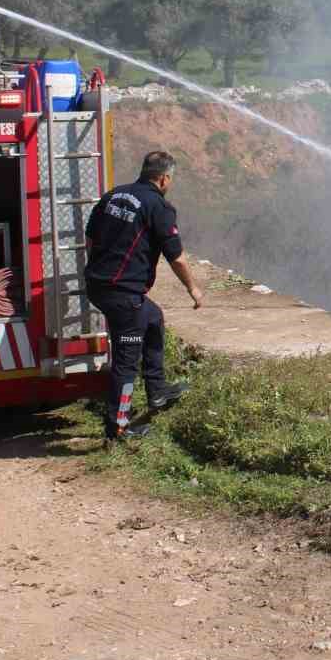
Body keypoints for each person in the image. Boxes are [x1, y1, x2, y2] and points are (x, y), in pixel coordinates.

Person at [84, 150, 205, 442]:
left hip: (99, 286)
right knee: (126, 361)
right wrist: (193, 288)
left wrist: (103, 271)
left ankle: (157, 390)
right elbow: (176, 258)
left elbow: (90, 238)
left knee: (152, 318)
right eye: (170, 179)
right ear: (164, 178)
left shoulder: (113, 196)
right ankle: (118, 428)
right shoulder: (158, 206)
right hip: (123, 294)